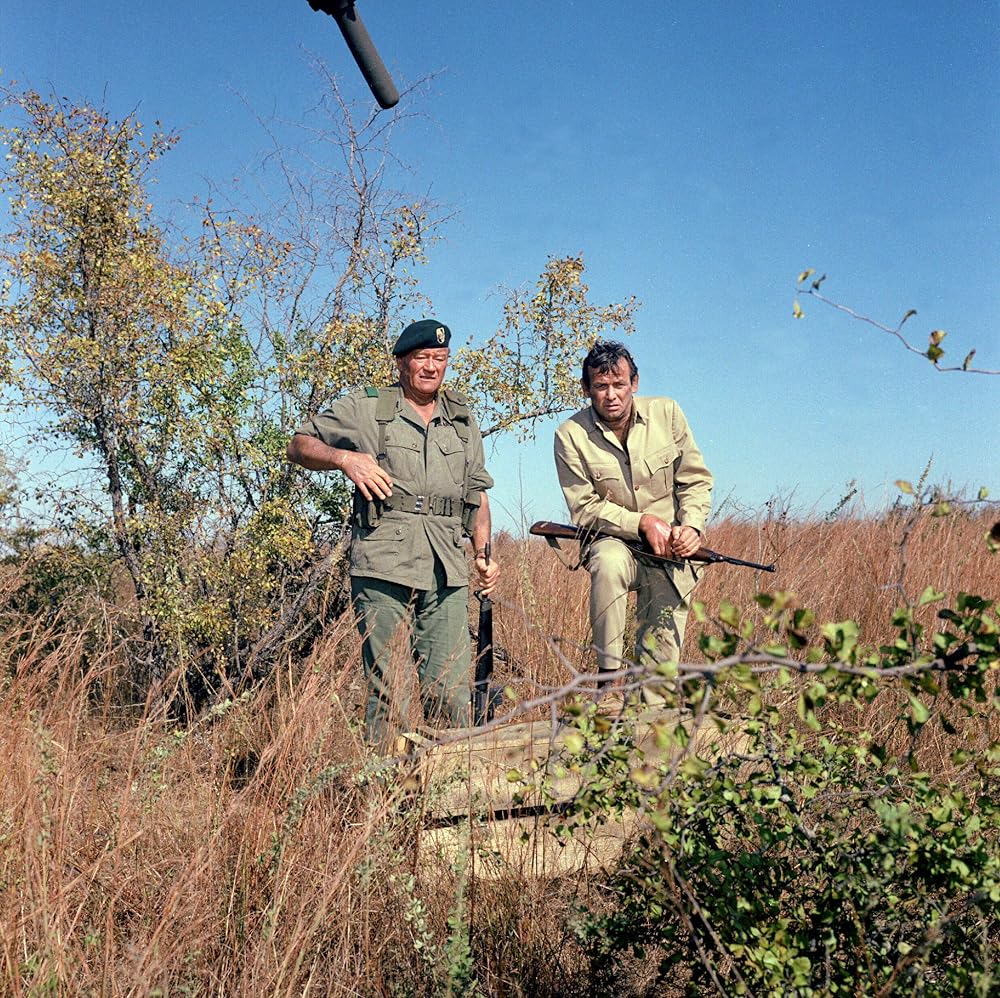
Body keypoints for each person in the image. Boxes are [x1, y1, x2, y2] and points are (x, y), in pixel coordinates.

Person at [287, 319, 499, 745]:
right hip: (383, 562)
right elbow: (299, 445)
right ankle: (388, 797)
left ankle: (449, 795)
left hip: (446, 568)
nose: (431, 367)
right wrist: (345, 460)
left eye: (440, 359)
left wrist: (483, 554)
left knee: (450, 690)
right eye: (422, 358)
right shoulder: (369, 408)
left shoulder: (461, 419)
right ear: (402, 362)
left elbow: (476, 492)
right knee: (389, 691)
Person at [553, 341, 713, 686]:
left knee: (659, 672)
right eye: (601, 386)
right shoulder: (570, 435)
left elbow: (695, 480)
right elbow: (584, 508)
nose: (611, 395)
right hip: (615, 542)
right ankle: (608, 681)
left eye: (619, 385)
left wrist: (692, 528)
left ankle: (655, 716)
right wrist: (641, 522)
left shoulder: (667, 413)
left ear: (634, 383)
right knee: (608, 562)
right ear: (586, 389)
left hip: (669, 552)